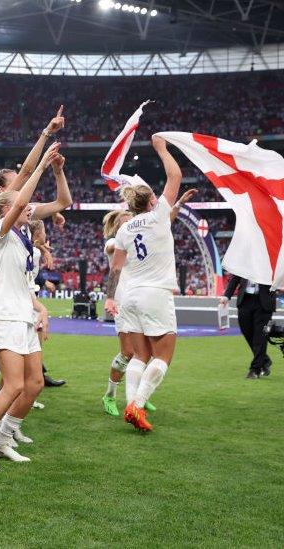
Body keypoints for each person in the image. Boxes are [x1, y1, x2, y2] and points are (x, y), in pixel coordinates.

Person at [0, 142, 60, 471]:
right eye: (23, 206)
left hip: (22, 317)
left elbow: (22, 284)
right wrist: (42, 167)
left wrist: (40, 311)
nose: (29, 209)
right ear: (9, 210)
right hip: (3, 316)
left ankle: (4, 439)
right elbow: (19, 199)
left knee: (33, 384)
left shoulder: (23, 239)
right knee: (14, 385)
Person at [105, 135, 183, 433]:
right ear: (152, 200)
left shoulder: (124, 228)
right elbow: (175, 175)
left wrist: (111, 297)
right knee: (163, 356)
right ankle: (136, 404)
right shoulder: (159, 215)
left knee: (140, 355)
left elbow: (115, 268)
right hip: (155, 293)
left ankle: (130, 405)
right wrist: (162, 148)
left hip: (131, 295)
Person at [101, 209, 134, 417]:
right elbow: (112, 246)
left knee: (144, 353)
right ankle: (109, 395)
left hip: (140, 300)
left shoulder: (138, 243)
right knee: (127, 352)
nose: (130, 225)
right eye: (125, 222)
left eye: (132, 221)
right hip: (121, 302)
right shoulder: (113, 242)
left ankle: (138, 397)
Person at [222, 275, 276, 378]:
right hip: (245, 300)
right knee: (246, 331)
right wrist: (226, 296)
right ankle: (264, 360)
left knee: (260, 336)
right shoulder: (244, 260)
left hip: (264, 302)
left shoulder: (270, 260)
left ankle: (255, 369)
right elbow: (236, 277)